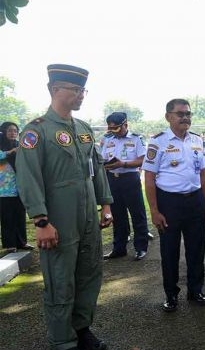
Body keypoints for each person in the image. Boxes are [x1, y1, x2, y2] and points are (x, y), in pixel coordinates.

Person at [16, 64, 113, 350]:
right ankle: (62, 341)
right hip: (58, 218)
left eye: (83, 90)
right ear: (54, 90)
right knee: (60, 280)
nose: (81, 95)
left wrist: (106, 204)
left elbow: (95, 168)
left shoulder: (83, 129)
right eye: (75, 90)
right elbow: (28, 177)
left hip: (87, 218)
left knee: (89, 273)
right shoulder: (36, 132)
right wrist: (40, 221)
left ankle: (81, 329)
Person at [142, 98, 205, 312]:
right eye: (180, 114)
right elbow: (150, 178)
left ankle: (195, 290)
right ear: (168, 117)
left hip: (195, 201)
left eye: (188, 114)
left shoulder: (197, 141)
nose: (185, 118)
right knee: (170, 252)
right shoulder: (158, 142)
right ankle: (171, 295)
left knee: (196, 250)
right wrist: (154, 211)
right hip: (169, 203)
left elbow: (202, 175)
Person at [101, 112, 151, 261]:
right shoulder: (107, 139)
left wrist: (123, 164)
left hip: (130, 179)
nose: (113, 131)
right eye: (111, 128)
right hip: (112, 179)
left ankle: (141, 247)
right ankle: (119, 248)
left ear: (125, 125)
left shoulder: (136, 139)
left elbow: (143, 159)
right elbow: (101, 158)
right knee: (117, 216)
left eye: (116, 128)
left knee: (137, 214)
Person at [0, 121, 31, 252]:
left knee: (19, 215)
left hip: (19, 187)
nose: (13, 133)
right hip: (4, 189)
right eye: (10, 131)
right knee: (7, 217)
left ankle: (21, 242)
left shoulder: (20, 145)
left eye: (15, 131)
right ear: (3, 132)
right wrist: (9, 152)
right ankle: (9, 244)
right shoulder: (2, 146)